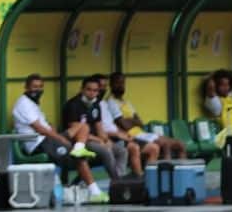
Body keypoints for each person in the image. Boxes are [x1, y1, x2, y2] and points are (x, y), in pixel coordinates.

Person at [11, 73, 105, 201]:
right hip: (39, 144)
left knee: (83, 127)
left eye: (40, 87)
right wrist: (60, 138)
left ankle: (79, 147)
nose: (37, 90)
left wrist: (52, 128)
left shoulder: (33, 103)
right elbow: (39, 128)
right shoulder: (24, 104)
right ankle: (95, 193)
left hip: (48, 140)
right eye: (34, 87)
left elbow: (45, 124)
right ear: (26, 87)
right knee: (80, 159)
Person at [62, 76, 131, 182]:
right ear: (82, 89)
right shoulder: (73, 105)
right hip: (79, 142)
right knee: (106, 151)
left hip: (95, 140)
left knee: (122, 151)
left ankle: (120, 176)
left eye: (95, 90)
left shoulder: (95, 104)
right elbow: (77, 132)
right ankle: (117, 182)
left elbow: (99, 127)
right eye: (88, 89)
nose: (91, 93)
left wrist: (105, 140)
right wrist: (99, 141)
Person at [105, 72, 188, 160]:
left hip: (142, 133)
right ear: (111, 85)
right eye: (117, 83)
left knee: (180, 144)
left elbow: (140, 123)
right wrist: (132, 120)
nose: (121, 85)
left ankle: (184, 171)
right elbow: (125, 126)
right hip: (131, 135)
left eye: (122, 83)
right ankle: (166, 171)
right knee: (165, 145)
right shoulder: (111, 102)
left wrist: (128, 120)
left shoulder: (127, 102)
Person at [90, 74, 148, 175]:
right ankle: (135, 178)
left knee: (152, 148)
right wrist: (117, 135)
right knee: (133, 148)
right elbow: (99, 129)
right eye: (101, 86)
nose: (103, 89)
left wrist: (123, 134)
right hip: (106, 139)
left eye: (105, 86)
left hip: (117, 136)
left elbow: (113, 125)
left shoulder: (103, 104)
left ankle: (143, 178)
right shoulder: (95, 105)